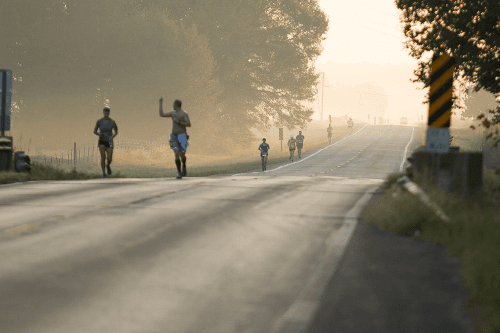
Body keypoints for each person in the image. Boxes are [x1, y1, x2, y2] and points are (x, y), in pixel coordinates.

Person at [159, 97, 191, 179]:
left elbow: (188, 124)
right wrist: (160, 103)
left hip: (182, 135)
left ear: (176, 105)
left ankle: (184, 166)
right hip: (174, 135)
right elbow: (162, 114)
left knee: (182, 155)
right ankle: (179, 172)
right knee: (176, 153)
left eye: (173, 104)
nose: (172, 105)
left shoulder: (183, 113)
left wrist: (179, 122)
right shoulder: (173, 113)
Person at [93, 107, 118, 178]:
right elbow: (94, 131)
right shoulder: (99, 121)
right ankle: (103, 173)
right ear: (103, 113)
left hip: (109, 141)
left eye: (108, 112)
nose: (106, 114)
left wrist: (112, 137)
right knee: (103, 156)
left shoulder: (112, 122)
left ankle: (108, 165)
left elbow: (116, 132)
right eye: (105, 112)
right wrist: (98, 134)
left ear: (109, 113)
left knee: (109, 157)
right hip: (102, 141)